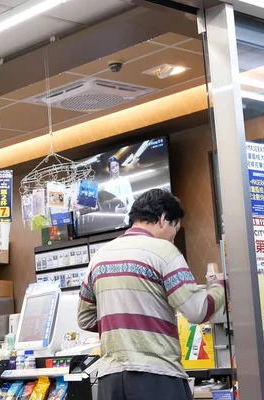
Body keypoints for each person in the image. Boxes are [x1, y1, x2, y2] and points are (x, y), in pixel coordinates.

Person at [77, 189, 225, 400]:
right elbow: (197, 311)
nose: (174, 237)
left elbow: (84, 318)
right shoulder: (163, 251)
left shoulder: (99, 257)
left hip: (110, 379)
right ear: (164, 218)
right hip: (157, 375)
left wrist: (120, 322)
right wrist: (218, 287)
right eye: (176, 229)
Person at [99, 156, 137, 224]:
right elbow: (106, 207)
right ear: (110, 170)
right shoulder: (108, 186)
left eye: (116, 165)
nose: (116, 169)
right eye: (113, 167)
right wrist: (115, 211)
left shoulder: (125, 180)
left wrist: (127, 209)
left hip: (128, 216)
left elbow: (131, 199)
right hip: (115, 219)